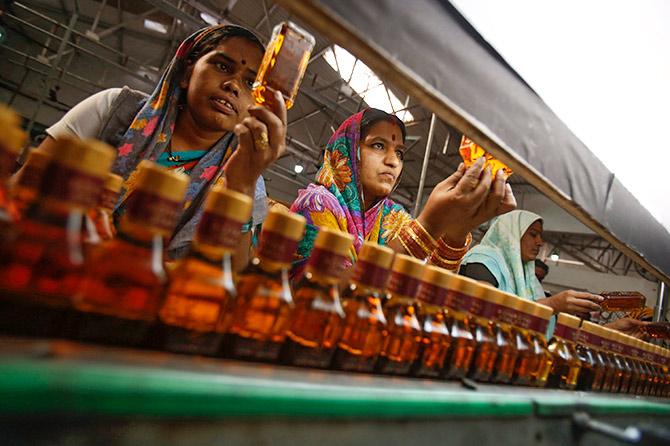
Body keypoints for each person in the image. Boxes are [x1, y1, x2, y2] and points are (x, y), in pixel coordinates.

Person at [35, 25, 287, 266]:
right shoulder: (115, 110)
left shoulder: (249, 178)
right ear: (188, 72)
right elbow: (23, 186)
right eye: (222, 66)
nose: (232, 86)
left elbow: (229, 277)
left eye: (250, 84)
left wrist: (241, 186)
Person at [289, 108, 516, 277]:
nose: (393, 162)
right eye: (378, 145)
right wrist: (428, 226)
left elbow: (423, 296)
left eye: (399, 153)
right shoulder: (318, 204)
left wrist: (457, 233)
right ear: (348, 149)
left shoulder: (393, 217)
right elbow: (324, 294)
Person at [460, 210, 647, 336]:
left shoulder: (529, 280)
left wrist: (612, 330)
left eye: (540, 236)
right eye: (533, 234)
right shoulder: (484, 259)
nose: (540, 242)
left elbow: (555, 335)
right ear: (510, 234)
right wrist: (551, 304)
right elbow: (481, 309)